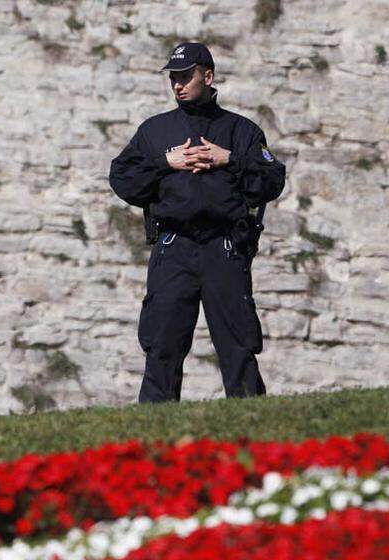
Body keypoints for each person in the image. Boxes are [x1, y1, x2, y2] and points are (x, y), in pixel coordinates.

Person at [109, 42, 286, 402]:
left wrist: (230, 160)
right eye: (173, 77)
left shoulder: (242, 131)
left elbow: (272, 181)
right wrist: (164, 164)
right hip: (174, 249)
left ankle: (252, 425)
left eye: (185, 76)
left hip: (224, 248)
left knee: (238, 345)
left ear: (208, 76)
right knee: (162, 345)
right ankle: (154, 436)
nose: (178, 84)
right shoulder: (154, 132)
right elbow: (123, 180)